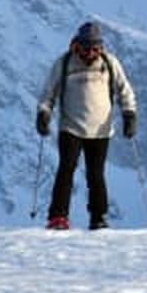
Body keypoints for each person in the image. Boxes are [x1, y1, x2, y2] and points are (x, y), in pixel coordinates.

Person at [36, 21, 137, 230]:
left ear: (101, 47)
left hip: (101, 129)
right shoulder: (64, 63)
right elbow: (49, 92)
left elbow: (124, 89)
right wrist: (44, 113)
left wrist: (129, 114)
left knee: (96, 173)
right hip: (70, 126)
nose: (90, 53)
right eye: (86, 47)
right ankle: (58, 217)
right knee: (66, 170)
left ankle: (98, 218)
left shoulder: (109, 63)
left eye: (95, 48)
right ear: (77, 45)